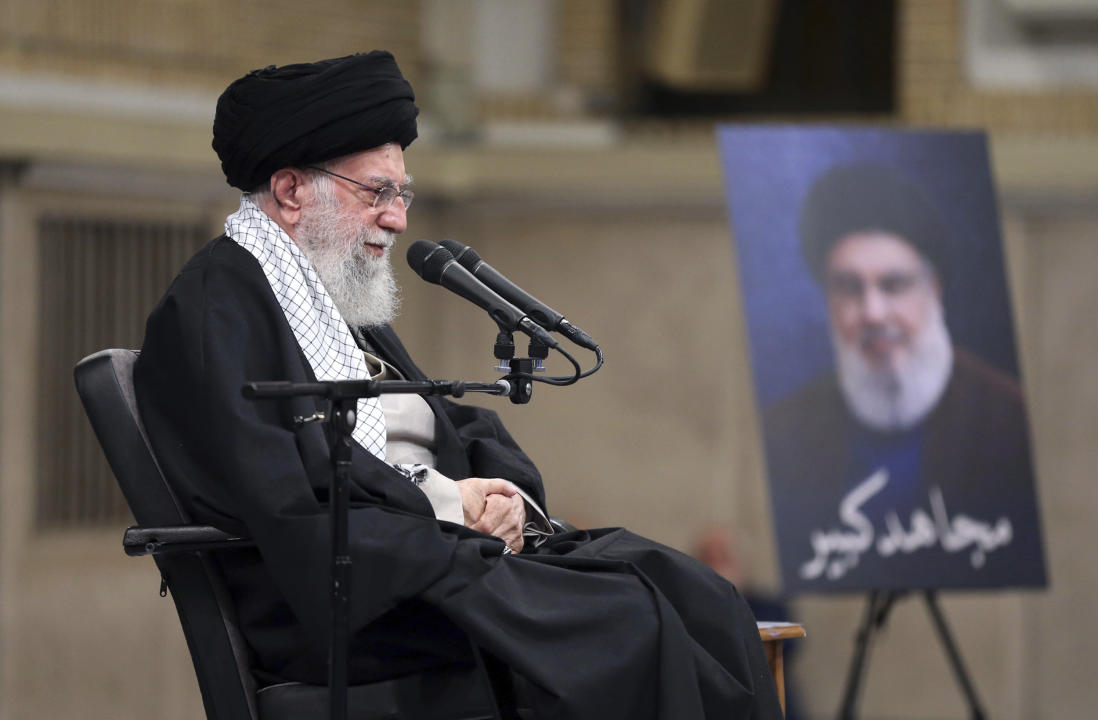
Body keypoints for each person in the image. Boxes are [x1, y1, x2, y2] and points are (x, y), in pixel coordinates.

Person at [134, 51, 782, 720]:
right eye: (376, 192)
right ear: (292, 191)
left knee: (694, 592)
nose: (398, 218)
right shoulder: (217, 308)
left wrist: (501, 497)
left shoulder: (332, 298)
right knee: (627, 621)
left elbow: (451, 422)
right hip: (359, 602)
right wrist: (446, 505)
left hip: (437, 558)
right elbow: (287, 495)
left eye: (401, 194)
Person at [763, 164, 1046, 592]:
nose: (873, 313)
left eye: (893, 285)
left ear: (933, 290)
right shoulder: (787, 429)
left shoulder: (1006, 417)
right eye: (849, 287)